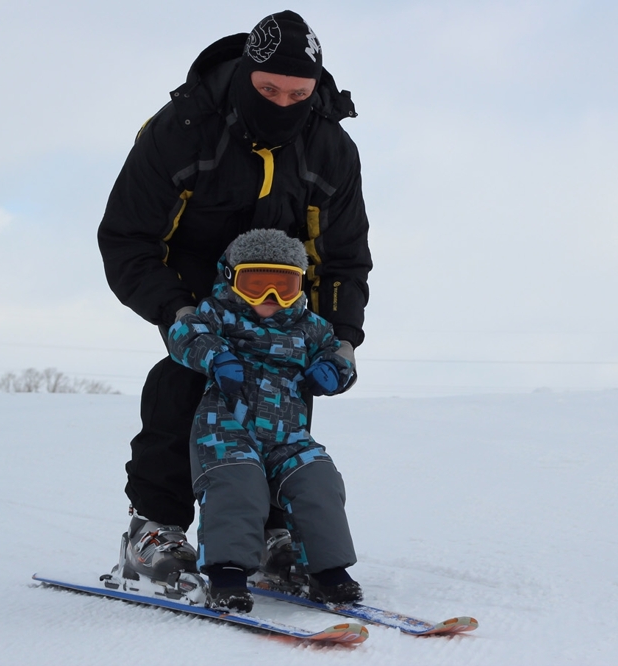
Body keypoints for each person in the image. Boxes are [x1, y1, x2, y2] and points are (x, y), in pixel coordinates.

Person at [97, 10, 371, 589]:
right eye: (268, 89)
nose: (282, 103)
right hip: (192, 282)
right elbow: (128, 238)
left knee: (285, 381)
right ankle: (154, 529)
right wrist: (179, 314)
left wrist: (339, 341)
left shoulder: (331, 150)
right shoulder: (181, 128)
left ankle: (273, 530)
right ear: (246, 74)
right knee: (184, 382)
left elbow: (342, 258)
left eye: (298, 93)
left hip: (282, 280)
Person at [167, 228, 359, 611]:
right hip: (227, 428)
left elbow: (339, 353)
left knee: (318, 479)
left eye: (283, 287)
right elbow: (186, 333)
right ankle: (228, 576)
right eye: (255, 285)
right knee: (236, 485)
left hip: (289, 434)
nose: (269, 299)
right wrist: (215, 357)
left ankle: (328, 572)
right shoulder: (217, 314)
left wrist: (335, 371)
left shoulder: (311, 328)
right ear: (232, 280)